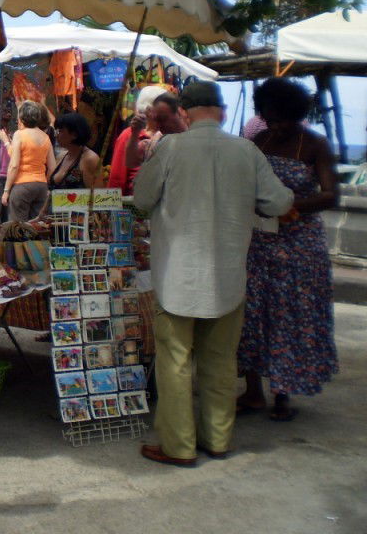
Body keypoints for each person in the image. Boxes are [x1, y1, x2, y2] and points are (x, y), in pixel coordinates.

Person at [133, 81, 293, 466]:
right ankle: (218, 440)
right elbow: (280, 200)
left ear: (185, 112)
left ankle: (179, 447)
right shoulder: (246, 149)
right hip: (228, 277)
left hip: (177, 277)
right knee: (221, 363)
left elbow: (141, 200)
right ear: (221, 112)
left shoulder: (170, 147)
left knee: (174, 364)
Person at [236, 77, 339, 422]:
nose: (275, 126)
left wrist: (294, 207)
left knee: (288, 317)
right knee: (252, 315)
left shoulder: (315, 145)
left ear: (294, 114)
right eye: (269, 118)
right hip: (259, 243)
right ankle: (253, 391)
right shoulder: (259, 140)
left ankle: (283, 391)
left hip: (298, 247)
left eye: (281, 119)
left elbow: (330, 194)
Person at [2, 101, 57, 221]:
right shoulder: (46, 137)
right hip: (41, 187)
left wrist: (6, 191)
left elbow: (14, 165)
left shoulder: (19, 135)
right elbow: (53, 167)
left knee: (17, 229)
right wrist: (44, 182)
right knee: (37, 227)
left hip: (22, 186)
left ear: (22, 118)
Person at [108, 85, 166, 194]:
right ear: (149, 110)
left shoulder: (167, 132)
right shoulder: (128, 135)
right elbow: (117, 178)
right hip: (134, 204)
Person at [125, 91, 188, 166]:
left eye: (163, 119)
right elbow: (130, 162)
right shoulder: (155, 142)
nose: (159, 125)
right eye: (156, 120)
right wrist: (135, 133)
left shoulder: (195, 137)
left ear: (179, 112)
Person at [49, 112, 102, 190]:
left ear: (74, 135)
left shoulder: (90, 159)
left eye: (60, 131)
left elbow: (98, 196)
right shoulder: (62, 156)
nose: (56, 135)